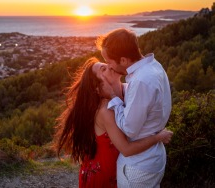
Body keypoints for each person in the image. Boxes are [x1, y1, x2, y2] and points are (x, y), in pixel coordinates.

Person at [55, 57, 173, 188]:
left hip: (123, 168)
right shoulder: (105, 111)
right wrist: (157, 137)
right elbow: (126, 149)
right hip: (104, 175)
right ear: (98, 87)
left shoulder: (129, 89)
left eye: (106, 63)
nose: (109, 66)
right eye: (103, 69)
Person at [96, 28, 172, 188]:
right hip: (151, 157)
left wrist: (113, 97)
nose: (108, 66)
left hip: (139, 165)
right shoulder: (154, 67)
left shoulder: (141, 81)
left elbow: (129, 129)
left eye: (109, 62)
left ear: (123, 60)